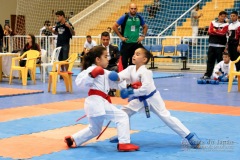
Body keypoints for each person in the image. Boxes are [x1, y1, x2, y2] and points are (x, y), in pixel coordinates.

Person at [108, 48, 201, 149]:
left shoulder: (146, 72)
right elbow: (120, 77)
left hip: (152, 98)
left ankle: (190, 136)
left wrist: (130, 92)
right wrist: (114, 76)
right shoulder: (131, 69)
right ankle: (123, 136)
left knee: (166, 117)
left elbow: (145, 89)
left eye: (138, 54)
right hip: (139, 99)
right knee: (123, 113)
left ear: (144, 59)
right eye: (134, 54)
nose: (134, 56)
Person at [64, 46, 139, 152]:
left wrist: (130, 86)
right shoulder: (91, 69)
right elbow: (79, 82)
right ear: (98, 59)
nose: (108, 59)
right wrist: (92, 74)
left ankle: (74, 139)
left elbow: (117, 83)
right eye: (105, 56)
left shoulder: (106, 73)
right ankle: (124, 143)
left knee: (94, 130)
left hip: (95, 104)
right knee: (122, 116)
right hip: (96, 101)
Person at [112, 3, 148, 69]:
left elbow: (145, 27)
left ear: (137, 9)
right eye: (132, 8)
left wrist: (142, 36)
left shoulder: (139, 17)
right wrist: (121, 37)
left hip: (135, 44)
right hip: (126, 44)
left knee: (134, 63)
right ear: (129, 9)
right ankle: (125, 77)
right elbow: (114, 26)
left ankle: (133, 77)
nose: (133, 10)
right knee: (124, 62)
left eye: (134, 9)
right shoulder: (124, 17)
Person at [201, 11, 228, 79]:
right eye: (222, 16)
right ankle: (208, 74)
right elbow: (210, 31)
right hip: (212, 45)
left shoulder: (226, 24)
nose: (223, 18)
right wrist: (219, 31)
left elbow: (223, 33)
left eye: (224, 17)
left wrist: (215, 31)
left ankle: (221, 75)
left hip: (221, 46)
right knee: (210, 61)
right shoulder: (213, 22)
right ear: (219, 16)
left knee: (221, 62)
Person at [100, 31, 120, 96]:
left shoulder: (114, 48)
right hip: (101, 67)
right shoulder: (97, 48)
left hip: (111, 65)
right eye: (104, 39)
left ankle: (112, 89)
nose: (105, 41)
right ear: (101, 39)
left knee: (115, 68)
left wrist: (113, 60)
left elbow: (118, 57)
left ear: (109, 39)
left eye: (107, 39)